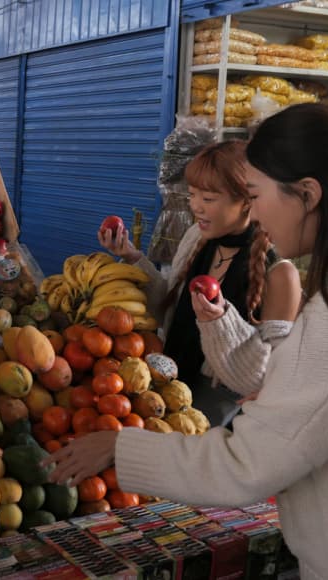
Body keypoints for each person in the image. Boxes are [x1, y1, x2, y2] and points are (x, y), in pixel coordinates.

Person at [48, 103, 328, 578]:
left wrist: (119, 447)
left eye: (254, 195)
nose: (254, 211)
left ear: (308, 194)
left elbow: (245, 464)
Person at [99, 140, 300, 425]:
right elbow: (167, 306)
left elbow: (266, 376)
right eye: (193, 195)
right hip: (165, 382)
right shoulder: (197, 238)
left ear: (246, 200)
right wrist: (132, 257)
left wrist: (219, 323)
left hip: (220, 411)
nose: (196, 207)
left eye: (208, 199)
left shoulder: (280, 273)